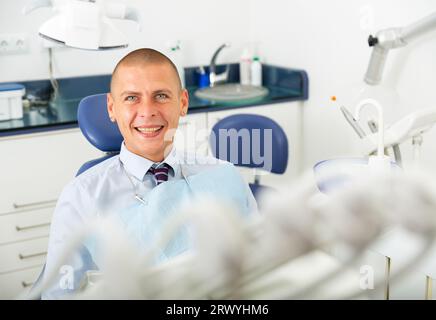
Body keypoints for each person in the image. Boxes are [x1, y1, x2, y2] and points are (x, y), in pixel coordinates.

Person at [40, 48, 257, 299]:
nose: (147, 111)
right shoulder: (82, 197)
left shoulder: (224, 176)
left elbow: (258, 263)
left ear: (183, 103)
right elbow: (60, 293)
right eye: (132, 98)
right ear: (112, 107)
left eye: (161, 96)